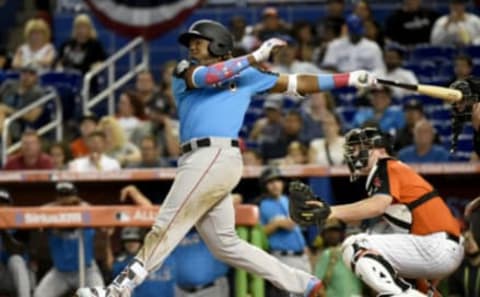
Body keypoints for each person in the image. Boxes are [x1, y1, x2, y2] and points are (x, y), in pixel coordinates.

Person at [76, 19, 376, 297]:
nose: (192, 46)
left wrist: (349, 78)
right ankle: (305, 283)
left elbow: (297, 82)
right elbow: (209, 77)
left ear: (218, 43)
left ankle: (117, 290)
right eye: (190, 41)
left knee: (166, 225)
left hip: (215, 155)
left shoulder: (247, 75)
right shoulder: (185, 70)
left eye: (199, 40)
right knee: (225, 245)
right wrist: (253, 57)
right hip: (200, 158)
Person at [291, 126, 463, 296]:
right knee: (374, 238)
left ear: (379, 149)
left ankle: (400, 294)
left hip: (436, 245)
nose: (355, 153)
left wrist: (329, 212)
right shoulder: (393, 170)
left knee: (356, 245)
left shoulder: (386, 165)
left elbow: (376, 205)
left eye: (360, 147)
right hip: (437, 246)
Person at [119, 185, 230, 297]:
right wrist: (136, 194)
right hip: (181, 291)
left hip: (212, 289)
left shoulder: (205, 221)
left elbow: (235, 199)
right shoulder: (171, 228)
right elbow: (151, 213)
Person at [34, 182, 105, 297]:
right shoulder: (49, 215)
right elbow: (36, 214)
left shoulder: (86, 212)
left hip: (87, 270)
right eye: (62, 196)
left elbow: (106, 224)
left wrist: (76, 208)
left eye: (69, 196)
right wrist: (57, 211)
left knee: (101, 295)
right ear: (56, 199)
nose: (66, 200)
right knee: (39, 295)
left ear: (76, 197)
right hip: (60, 273)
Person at [258, 166, 311, 297]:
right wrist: (278, 223)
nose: (275, 185)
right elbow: (290, 224)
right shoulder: (265, 204)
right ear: (265, 186)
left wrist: (305, 247)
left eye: (277, 180)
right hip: (283, 257)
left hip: (301, 257)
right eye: (270, 182)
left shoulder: (286, 200)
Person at [106, 227, 176, 297]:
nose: (131, 244)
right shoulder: (125, 262)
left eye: (135, 240)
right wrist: (107, 237)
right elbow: (110, 266)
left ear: (141, 242)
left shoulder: (168, 257)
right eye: (127, 241)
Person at [314, 219, 363, 297]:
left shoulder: (355, 251)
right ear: (323, 234)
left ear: (341, 234)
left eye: (335, 231)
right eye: (329, 232)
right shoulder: (326, 254)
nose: (332, 235)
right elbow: (316, 282)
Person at [0, 64, 46, 141]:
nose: (27, 76)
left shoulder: (38, 93)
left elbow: (32, 117)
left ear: (37, 77)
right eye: (24, 72)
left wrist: (8, 110)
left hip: (18, 124)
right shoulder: (9, 85)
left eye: (31, 73)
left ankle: (7, 147)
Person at [0, 189, 32, 297]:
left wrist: (3, 229)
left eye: (4, 204)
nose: (1, 207)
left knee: (16, 260)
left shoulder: (19, 221)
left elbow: (17, 250)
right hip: (2, 274)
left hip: (18, 279)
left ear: (11, 206)